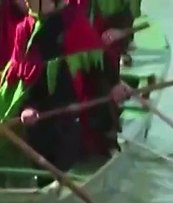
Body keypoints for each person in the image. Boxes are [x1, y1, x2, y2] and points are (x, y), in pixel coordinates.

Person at [0, 0, 131, 169]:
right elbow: (19, 79)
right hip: (33, 114)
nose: (26, 2)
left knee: (64, 145)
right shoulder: (23, 29)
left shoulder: (72, 23)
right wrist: (26, 107)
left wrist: (114, 86)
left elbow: (98, 60)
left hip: (65, 112)